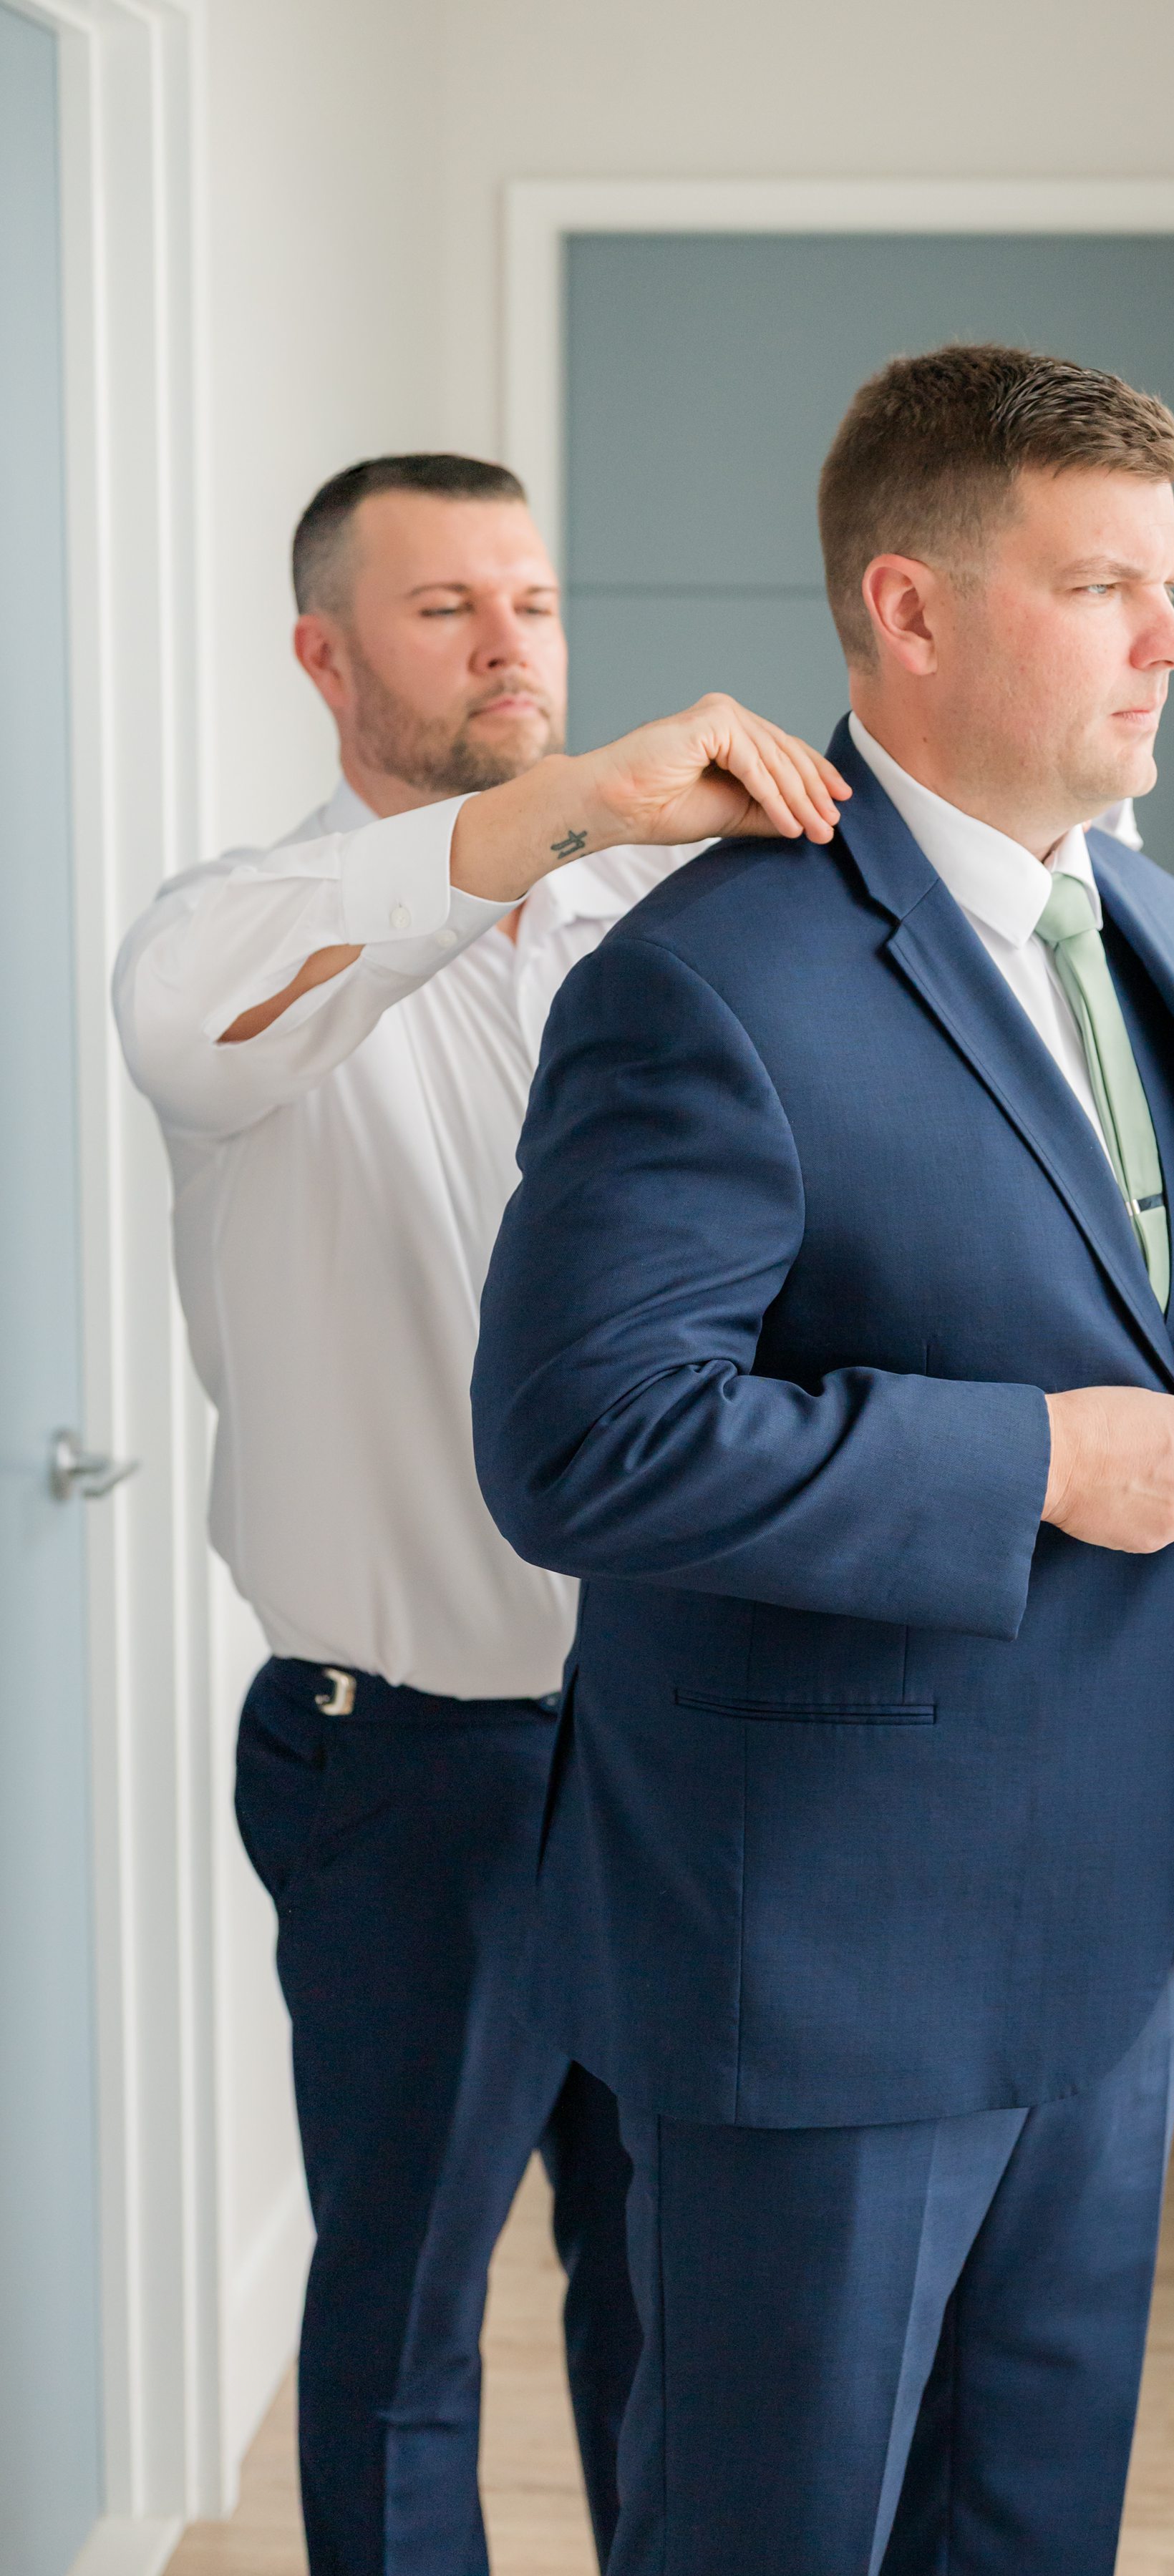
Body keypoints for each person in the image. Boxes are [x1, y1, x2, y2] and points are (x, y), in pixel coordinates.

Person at [472, 346, 1174, 2576]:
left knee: (1028, 2531)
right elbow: (582, 1442)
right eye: (1106, 586)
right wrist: (1033, 1462)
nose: (1173, 639)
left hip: (1104, 1948)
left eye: (1172, 585)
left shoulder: (1145, 913)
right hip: (817, 1971)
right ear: (914, 609)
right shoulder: (705, 983)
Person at [112, 450, 848, 2576]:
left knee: (675, 2312)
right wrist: (584, 801)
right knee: (405, 2324)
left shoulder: (680, 944)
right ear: (323, 652)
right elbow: (204, 1017)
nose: (509, 640)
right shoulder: (241, 941)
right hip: (407, 1771)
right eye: (445, 607)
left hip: (678, 1751)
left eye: (529, 596)